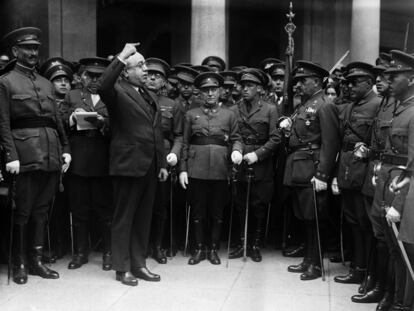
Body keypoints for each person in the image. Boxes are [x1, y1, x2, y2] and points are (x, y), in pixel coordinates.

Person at [0, 27, 71, 284]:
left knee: (41, 211)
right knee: (23, 212)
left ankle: (37, 261)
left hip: (50, 154)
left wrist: (66, 150)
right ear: (15, 51)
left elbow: (55, 121)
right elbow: (3, 123)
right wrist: (10, 155)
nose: (32, 53)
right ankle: (19, 263)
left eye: (35, 48)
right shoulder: (6, 82)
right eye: (27, 48)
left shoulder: (45, 83)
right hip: (24, 155)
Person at [97, 43, 168, 286]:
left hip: (149, 165)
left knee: (142, 217)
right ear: (125, 71)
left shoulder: (148, 94)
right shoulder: (116, 90)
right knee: (124, 217)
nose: (146, 69)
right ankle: (122, 268)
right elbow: (102, 84)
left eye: (145, 64)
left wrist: (161, 164)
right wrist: (122, 55)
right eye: (140, 65)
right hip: (128, 164)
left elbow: (155, 130)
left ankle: (139, 264)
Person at [283, 61, 339, 280]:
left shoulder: (325, 105)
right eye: (297, 81)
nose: (298, 85)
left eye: (303, 81)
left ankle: (316, 265)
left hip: (313, 166)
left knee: (315, 217)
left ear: (317, 81)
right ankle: (308, 258)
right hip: (300, 166)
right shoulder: (304, 105)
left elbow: (330, 142)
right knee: (305, 217)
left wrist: (323, 174)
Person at [179, 72, 243, 265]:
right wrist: (183, 169)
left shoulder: (229, 114)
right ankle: (199, 249)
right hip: (196, 168)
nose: (210, 94)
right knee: (198, 210)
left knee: (217, 211)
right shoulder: (191, 114)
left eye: (213, 90)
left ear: (220, 91)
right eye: (206, 90)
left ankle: (213, 249)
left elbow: (236, 138)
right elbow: (184, 142)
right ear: (200, 93)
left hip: (220, 168)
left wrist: (237, 151)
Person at [350, 56, 396, 305]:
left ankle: (387, 289)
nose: (379, 81)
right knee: (374, 232)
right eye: (377, 77)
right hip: (374, 172)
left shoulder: (400, 105)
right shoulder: (384, 104)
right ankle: (375, 281)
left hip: (391, 177)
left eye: (385, 77)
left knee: (386, 238)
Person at [60, 57, 113, 271]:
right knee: (79, 209)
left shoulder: (113, 96)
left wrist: (103, 123)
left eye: (99, 76)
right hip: (79, 159)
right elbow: (60, 121)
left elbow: (121, 126)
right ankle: (80, 252)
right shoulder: (72, 95)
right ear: (82, 76)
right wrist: (73, 118)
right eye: (90, 75)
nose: (94, 80)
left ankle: (108, 253)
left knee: (104, 210)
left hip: (103, 159)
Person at [372, 50, 414, 311]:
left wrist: (399, 203)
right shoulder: (399, 108)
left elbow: (412, 165)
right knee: (390, 245)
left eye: (394, 75)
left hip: (403, 191)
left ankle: (403, 303)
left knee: (404, 251)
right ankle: (395, 298)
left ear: (410, 79)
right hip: (387, 182)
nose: (388, 80)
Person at [333, 62, 381, 286]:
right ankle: (358, 268)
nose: (349, 86)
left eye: (355, 82)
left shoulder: (378, 105)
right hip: (347, 170)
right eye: (347, 83)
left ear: (370, 83)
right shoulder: (351, 106)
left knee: (366, 225)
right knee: (353, 222)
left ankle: (368, 272)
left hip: (365, 173)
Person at [228, 68, 281, 262]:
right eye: (243, 86)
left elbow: (276, 138)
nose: (245, 89)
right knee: (241, 204)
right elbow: (235, 135)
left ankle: (255, 244)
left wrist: (257, 155)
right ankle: (242, 243)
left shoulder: (270, 109)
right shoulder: (234, 109)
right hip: (240, 162)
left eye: (250, 86)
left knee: (259, 205)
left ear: (259, 88)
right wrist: (237, 151)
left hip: (261, 164)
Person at [145, 57, 183, 264]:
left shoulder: (172, 105)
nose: (152, 77)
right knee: (142, 205)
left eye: (157, 75)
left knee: (160, 206)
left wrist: (175, 154)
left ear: (164, 82)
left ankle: (157, 246)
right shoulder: (135, 99)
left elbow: (178, 135)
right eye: (149, 74)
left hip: (163, 162)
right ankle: (141, 245)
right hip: (141, 159)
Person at [39, 57, 74, 261]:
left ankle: (66, 245)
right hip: (51, 158)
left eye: (66, 80)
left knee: (68, 205)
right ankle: (51, 246)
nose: (63, 83)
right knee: (51, 206)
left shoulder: (76, 102)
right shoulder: (45, 104)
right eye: (57, 80)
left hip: (72, 159)